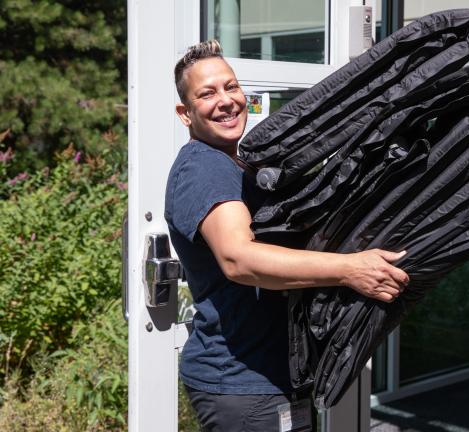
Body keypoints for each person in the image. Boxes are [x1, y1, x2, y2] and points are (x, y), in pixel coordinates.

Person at [165, 40, 409, 432]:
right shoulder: (204, 169)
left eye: (231, 87)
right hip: (242, 382)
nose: (226, 101)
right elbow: (238, 259)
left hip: (269, 376)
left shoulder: (239, 164)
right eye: (207, 93)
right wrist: (349, 269)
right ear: (185, 113)